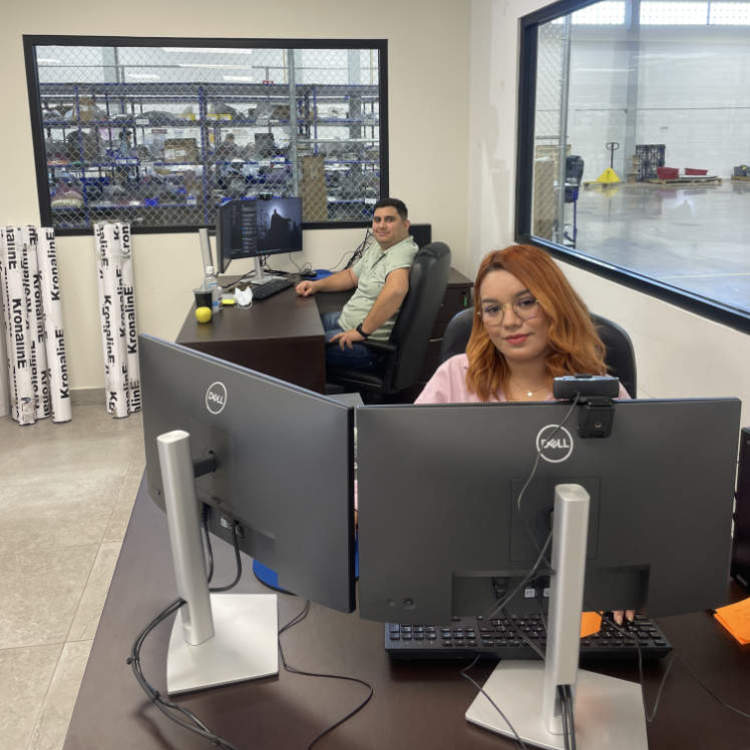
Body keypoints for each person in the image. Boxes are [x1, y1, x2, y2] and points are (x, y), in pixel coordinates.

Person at [416, 243, 633, 623]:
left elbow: (639, 491)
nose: (509, 322)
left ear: (555, 305)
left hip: (574, 581)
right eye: (493, 309)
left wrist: (624, 569)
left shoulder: (601, 391)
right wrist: (358, 505)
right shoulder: (455, 377)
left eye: (526, 302)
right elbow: (402, 456)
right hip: (466, 564)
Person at [295, 197, 418, 370]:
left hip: (368, 344)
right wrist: (316, 285)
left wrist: (361, 331)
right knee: (305, 327)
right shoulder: (379, 246)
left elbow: (396, 290)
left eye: (389, 220)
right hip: (349, 321)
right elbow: (351, 276)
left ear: (405, 225)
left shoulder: (402, 251)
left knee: (299, 347)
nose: (381, 225)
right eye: (377, 220)